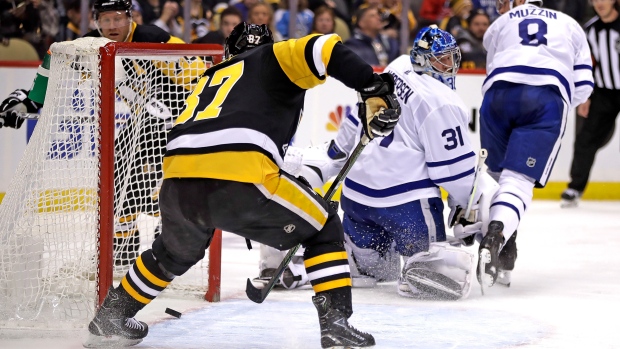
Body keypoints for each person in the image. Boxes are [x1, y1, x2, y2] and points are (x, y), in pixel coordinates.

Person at [83, 22, 400, 348]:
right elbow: (325, 48)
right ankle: (336, 323)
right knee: (322, 225)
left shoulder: (208, 76)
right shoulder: (273, 58)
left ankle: (112, 314)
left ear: (228, 52)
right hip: (239, 175)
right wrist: (373, 87)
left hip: (178, 181)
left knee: (172, 254)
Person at [261, 25, 498, 300]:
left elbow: (358, 115)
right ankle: (419, 266)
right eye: (441, 59)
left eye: (449, 58)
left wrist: (337, 151)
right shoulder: (442, 101)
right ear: (424, 59)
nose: (448, 66)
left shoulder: (395, 68)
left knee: (374, 272)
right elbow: (453, 176)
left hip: (357, 201)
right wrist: (466, 208)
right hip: (407, 206)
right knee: (436, 270)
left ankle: (301, 268)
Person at [0, 0, 207, 266]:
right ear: (96, 21)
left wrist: (184, 111)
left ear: (131, 18)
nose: (112, 26)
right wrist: (31, 99)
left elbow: (200, 72)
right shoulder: (92, 45)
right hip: (147, 118)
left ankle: (166, 228)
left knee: (147, 170)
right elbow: (57, 58)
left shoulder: (153, 38)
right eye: (105, 20)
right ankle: (126, 239)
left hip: (184, 116)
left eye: (118, 18)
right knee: (118, 167)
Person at [478, 0, 594, 287]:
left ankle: (504, 246)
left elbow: (492, 67)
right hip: (545, 98)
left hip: (498, 95)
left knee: (495, 177)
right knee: (518, 180)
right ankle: (499, 234)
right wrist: (563, 102)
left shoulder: (500, 23)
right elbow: (584, 86)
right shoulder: (570, 23)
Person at [561, 0, 620, 208]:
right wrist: (585, 96)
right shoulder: (590, 30)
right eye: (595, 0)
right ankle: (575, 187)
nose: (599, 3)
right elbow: (585, 65)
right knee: (585, 139)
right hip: (603, 93)